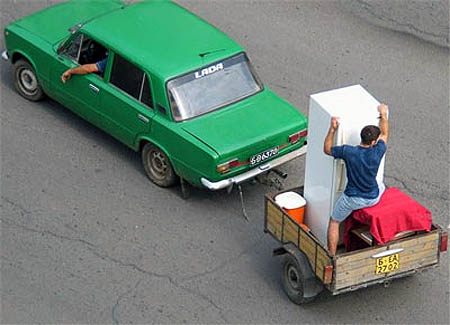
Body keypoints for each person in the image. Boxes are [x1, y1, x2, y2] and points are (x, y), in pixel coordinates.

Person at [323, 103, 389, 255]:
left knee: (334, 221)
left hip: (352, 199)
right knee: (381, 185)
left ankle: (332, 256)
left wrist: (332, 129)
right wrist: (383, 114)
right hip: (373, 197)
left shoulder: (349, 151)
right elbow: (385, 134)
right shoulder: (378, 151)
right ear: (373, 142)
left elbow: (326, 149)